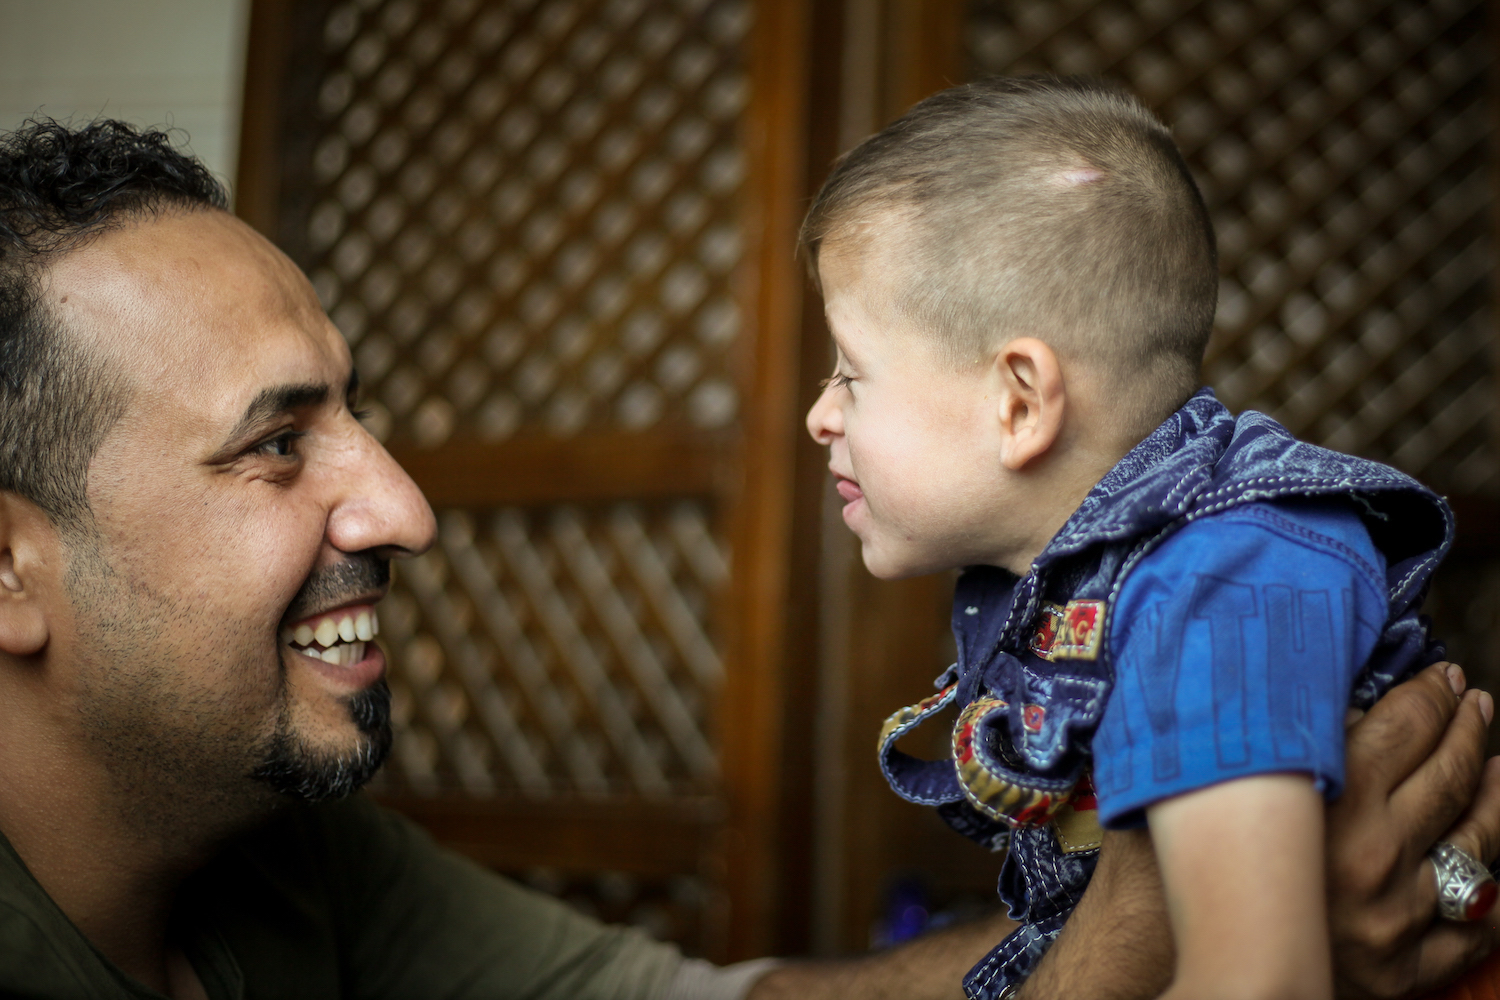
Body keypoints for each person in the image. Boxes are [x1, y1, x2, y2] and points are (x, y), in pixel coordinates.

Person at [0, 117, 1495, 1000]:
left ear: (1022, 397)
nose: (405, 505)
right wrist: (1185, 920)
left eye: (357, 412)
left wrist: (1187, 920)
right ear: (11, 570)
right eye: (276, 444)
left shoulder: (305, 875)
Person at [800, 76, 1500, 1000]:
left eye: (852, 373)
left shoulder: (1228, 574)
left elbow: (1259, 982)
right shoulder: (1087, 580)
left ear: (1018, 401)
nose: (819, 416)